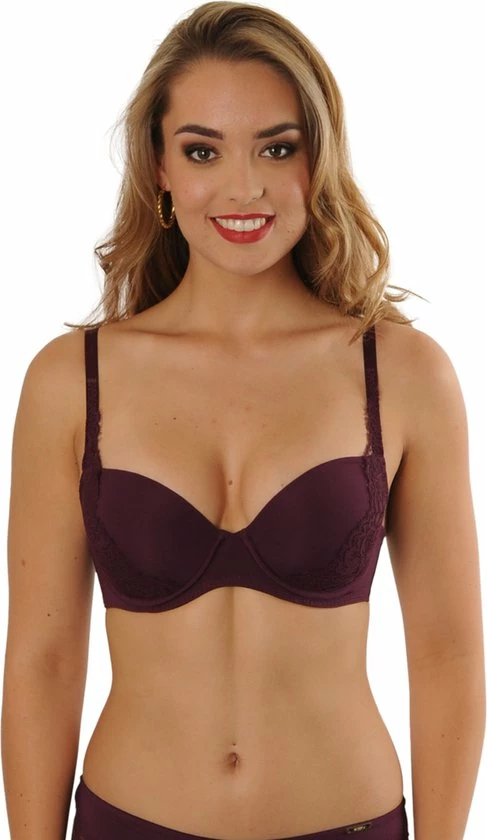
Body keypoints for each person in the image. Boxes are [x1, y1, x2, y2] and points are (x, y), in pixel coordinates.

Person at [2, 2, 484, 839]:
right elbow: (42, 661)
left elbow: (447, 651)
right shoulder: (71, 380)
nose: (244, 187)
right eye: (202, 151)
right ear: (159, 166)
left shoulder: (403, 373)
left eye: (276, 147)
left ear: (318, 157)